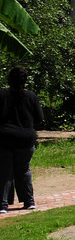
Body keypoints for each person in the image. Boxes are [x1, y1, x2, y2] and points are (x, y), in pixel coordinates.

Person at [0, 66, 43, 213]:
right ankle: (28, 201)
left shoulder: (2, 95)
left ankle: (3, 204)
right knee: (24, 170)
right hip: (26, 138)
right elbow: (39, 118)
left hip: (5, 138)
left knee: (5, 172)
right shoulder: (31, 96)